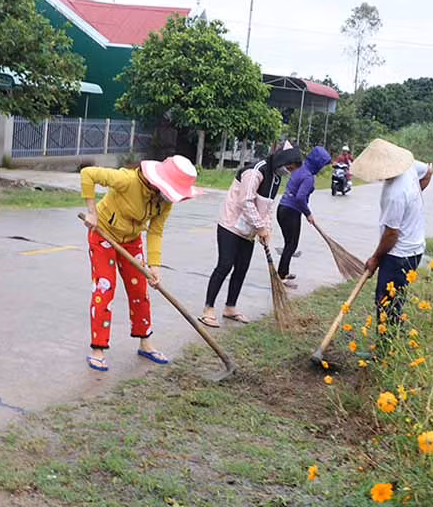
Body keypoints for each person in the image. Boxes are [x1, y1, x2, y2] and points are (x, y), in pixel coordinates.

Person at [80, 155, 200, 371]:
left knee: (140, 291)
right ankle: (97, 348)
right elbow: (87, 173)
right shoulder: (127, 180)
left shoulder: (164, 201)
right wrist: (91, 212)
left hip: (131, 241)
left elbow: (155, 230)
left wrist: (154, 266)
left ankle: (146, 342)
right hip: (103, 235)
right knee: (104, 288)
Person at [199, 147, 303, 327]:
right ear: (282, 161)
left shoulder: (276, 178)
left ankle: (230, 307)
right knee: (225, 265)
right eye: (290, 167)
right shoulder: (255, 171)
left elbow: (268, 206)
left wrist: (266, 229)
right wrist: (260, 226)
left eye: (292, 170)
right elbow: (245, 201)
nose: (289, 172)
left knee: (241, 268)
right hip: (230, 225)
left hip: (249, 230)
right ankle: (208, 308)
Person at [351, 139, 432, 323]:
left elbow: (391, 235)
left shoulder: (395, 193)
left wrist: (375, 258)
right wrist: (413, 201)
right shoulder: (410, 168)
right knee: (395, 301)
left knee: (386, 303)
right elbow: (428, 171)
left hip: (398, 256)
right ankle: (390, 346)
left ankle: (385, 349)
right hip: (415, 249)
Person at [276, 146, 331, 288]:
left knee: (289, 243)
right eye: (322, 164)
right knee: (291, 245)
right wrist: (308, 213)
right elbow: (300, 197)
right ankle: (281, 276)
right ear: (317, 163)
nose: (322, 168)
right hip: (291, 212)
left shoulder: (299, 169)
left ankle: (284, 271)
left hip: (282, 209)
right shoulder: (308, 177)